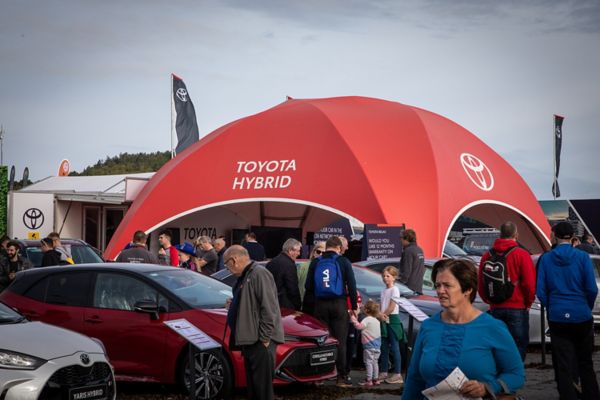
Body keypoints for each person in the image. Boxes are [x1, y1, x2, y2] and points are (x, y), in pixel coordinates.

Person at [403, 258, 525, 399]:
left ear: (467, 289)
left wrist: (487, 387)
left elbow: (516, 374)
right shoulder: (428, 326)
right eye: (437, 285)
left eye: (447, 285)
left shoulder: (492, 327)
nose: (440, 291)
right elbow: (414, 379)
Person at [536, 222, 599, 399]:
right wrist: (586, 306)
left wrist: (552, 306)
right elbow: (592, 289)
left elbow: (540, 291)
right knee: (585, 363)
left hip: (558, 317)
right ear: (573, 237)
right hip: (581, 315)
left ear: (554, 235)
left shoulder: (547, 259)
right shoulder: (582, 257)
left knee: (563, 365)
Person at [225, 245, 284, 400]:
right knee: (254, 389)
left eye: (226, 264)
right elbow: (254, 302)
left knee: (262, 390)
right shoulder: (247, 275)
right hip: (251, 341)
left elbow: (269, 308)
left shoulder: (259, 273)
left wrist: (264, 338)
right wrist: (236, 302)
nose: (227, 269)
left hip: (260, 342)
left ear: (234, 260)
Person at [304, 236, 358, 388]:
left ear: (326, 247)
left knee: (321, 341)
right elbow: (352, 285)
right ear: (339, 248)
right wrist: (353, 306)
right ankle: (341, 377)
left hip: (320, 305)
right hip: (339, 304)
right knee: (340, 341)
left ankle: (319, 375)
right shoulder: (343, 261)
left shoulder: (316, 262)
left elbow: (308, 286)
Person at [477, 221, 536, 361]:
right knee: (518, 346)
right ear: (516, 235)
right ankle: (514, 377)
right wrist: (528, 303)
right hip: (517, 308)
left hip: (495, 307)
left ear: (500, 234)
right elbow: (529, 284)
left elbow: (481, 282)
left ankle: (499, 376)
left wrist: (489, 300)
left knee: (497, 346)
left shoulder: (487, 255)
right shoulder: (522, 254)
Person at [378, 266, 405, 385]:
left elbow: (392, 306)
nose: (385, 278)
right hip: (383, 319)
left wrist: (383, 315)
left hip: (392, 319)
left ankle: (397, 374)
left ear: (394, 277)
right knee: (383, 347)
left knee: (394, 347)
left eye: (388, 276)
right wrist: (379, 315)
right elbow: (381, 305)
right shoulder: (383, 291)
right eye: (384, 276)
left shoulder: (395, 290)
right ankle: (383, 371)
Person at [350, 299, 382, 387]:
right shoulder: (377, 321)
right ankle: (376, 379)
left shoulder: (367, 319)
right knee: (375, 362)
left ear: (367, 310)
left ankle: (369, 380)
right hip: (377, 346)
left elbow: (359, 327)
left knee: (368, 362)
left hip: (369, 346)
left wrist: (353, 318)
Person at [265, 238, 302, 311]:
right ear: (290, 251)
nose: (299, 254)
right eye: (298, 251)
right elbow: (292, 288)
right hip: (285, 306)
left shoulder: (271, 263)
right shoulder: (290, 265)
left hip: (270, 304)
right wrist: (298, 305)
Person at [298, 241, 325, 309]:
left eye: (324, 253)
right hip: (304, 302)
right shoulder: (303, 266)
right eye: (318, 252)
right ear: (314, 253)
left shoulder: (328, 269)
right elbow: (296, 284)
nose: (321, 254)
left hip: (321, 305)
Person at [398, 229, 425, 293]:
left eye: (400, 238)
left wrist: (400, 283)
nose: (400, 240)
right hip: (418, 287)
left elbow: (406, 271)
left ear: (406, 238)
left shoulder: (408, 251)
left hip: (408, 288)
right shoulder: (419, 250)